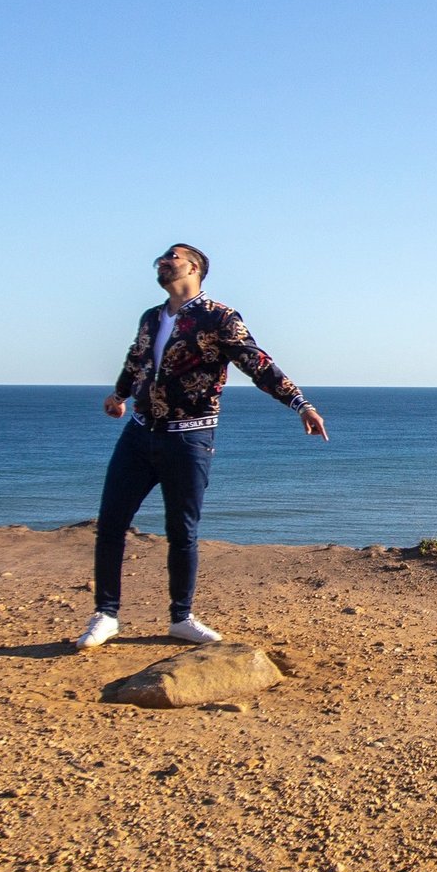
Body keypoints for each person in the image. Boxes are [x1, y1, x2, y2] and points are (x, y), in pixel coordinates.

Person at [74, 243, 327, 649]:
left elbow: (257, 363)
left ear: (194, 268)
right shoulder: (152, 317)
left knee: (182, 531)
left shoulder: (219, 317)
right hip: (139, 433)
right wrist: (119, 396)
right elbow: (137, 359)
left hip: (190, 438)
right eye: (162, 258)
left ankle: (181, 618)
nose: (162, 261)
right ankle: (106, 614)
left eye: (171, 257)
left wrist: (301, 404)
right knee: (111, 524)